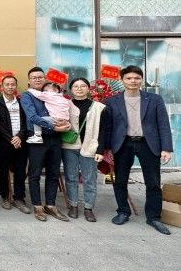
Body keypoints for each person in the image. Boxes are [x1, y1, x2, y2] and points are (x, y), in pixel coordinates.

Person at [104, 65, 173, 235]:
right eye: (129, 78)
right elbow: (108, 127)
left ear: (141, 80)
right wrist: (107, 148)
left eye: (136, 78)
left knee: (153, 182)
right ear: (122, 80)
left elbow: (163, 124)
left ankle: (154, 217)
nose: (133, 81)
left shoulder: (155, 99)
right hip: (123, 144)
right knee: (120, 181)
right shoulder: (112, 101)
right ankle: (123, 211)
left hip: (148, 144)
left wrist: (166, 148)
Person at [20, 67, 70, 222]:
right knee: (35, 174)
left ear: (45, 78)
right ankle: (37, 205)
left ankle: (50, 204)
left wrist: (66, 124)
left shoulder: (51, 93)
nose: (37, 79)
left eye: (40, 77)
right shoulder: (27, 96)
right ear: (29, 80)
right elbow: (32, 116)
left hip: (55, 138)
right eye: (33, 77)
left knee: (53, 172)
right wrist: (54, 126)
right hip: (37, 139)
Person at [61, 77, 107, 222]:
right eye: (76, 86)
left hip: (90, 147)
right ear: (71, 89)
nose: (79, 89)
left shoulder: (99, 107)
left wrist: (100, 150)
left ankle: (88, 208)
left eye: (83, 86)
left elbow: (103, 130)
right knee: (71, 178)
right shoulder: (65, 105)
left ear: (88, 89)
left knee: (89, 179)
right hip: (69, 147)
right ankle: (73, 205)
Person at [0, 75, 30, 213]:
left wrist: (19, 136)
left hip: (21, 142)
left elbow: (26, 122)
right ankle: (5, 196)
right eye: (7, 84)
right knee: (3, 170)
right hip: (4, 143)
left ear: (16, 86)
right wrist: (12, 139)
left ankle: (19, 198)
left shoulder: (21, 102)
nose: (10, 87)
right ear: (2, 87)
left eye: (12, 84)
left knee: (20, 170)